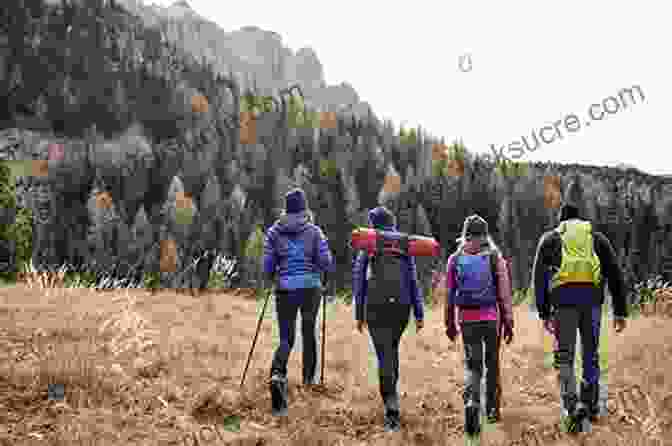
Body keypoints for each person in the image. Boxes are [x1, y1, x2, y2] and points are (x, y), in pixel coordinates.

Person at [531, 202, 627, 431]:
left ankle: (572, 408)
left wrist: (544, 312)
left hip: (563, 304)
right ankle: (592, 407)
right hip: (592, 303)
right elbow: (614, 273)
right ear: (580, 220)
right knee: (590, 354)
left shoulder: (551, 239)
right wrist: (620, 310)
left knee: (564, 357)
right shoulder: (596, 238)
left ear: (561, 221)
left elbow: (539, 278)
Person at [352, 206, 425, 433]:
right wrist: (419, 312)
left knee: (384, 354)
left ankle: (391, 408)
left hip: (376, 307)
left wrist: (359, 314)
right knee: (391, 351)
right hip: (401, 308)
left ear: (373, 225)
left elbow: (359, 280)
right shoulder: (404, 246)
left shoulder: (369, 245)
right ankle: (391, 398)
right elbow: (413, 280)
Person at [263, 188, 335, 417]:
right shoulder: (314, 231)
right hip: (310, 289)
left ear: (285, 209)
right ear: (305, 208)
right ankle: (307, 382)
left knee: (286, 338)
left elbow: (267, 267)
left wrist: (275, 275)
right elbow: (326, 263)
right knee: (308, 331)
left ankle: (277, 375)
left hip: (285, 289)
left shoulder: (274, 232)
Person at [444, 214, 514, 438]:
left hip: (467, 319)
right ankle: (492, 411)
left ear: (465, 234)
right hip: (491, 319)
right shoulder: (494, 257)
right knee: (492, 364)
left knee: (473, 365)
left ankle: (472, 402)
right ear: (485, 235)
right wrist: (509, 323)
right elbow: (504, 294)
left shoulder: (455, 259)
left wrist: (449, 324)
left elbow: (449, 295)